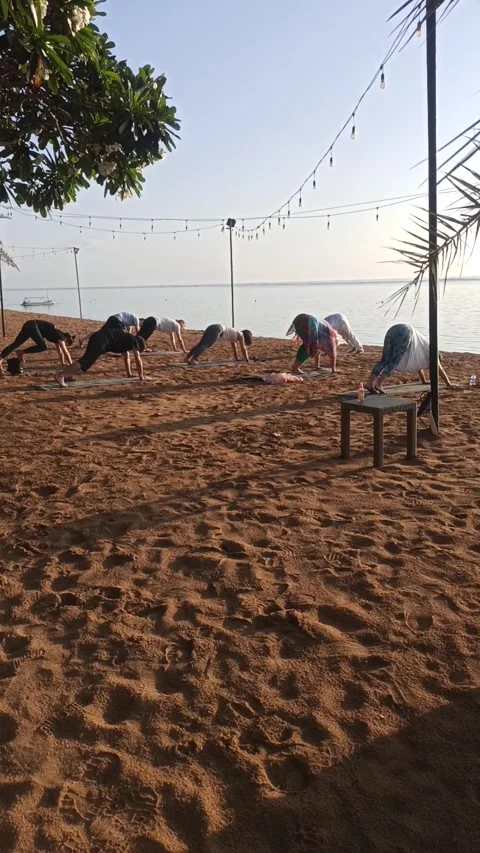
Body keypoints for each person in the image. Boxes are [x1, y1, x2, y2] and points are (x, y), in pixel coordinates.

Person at [366, 323, 452, 393]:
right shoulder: (434, 353)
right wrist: (448, 383)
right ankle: (379, 384)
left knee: (385, 360)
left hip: (394, 329)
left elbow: (419, 369)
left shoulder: (422, 354)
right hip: (406, 332)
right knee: (395, 360)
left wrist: (424, 381)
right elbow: (441, 370)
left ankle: (370, 383)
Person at [55, 327, 148, 388]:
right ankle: (61, 375)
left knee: (85, 363)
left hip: (98, 337)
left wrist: (129, 374)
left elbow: (126, 357)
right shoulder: (134, 341)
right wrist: (142, 376)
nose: (137, 351)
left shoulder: (127, 340)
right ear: (139, 345)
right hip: (101, 340)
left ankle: (63, 374)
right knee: (85, 361)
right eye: (139, 350)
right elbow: (138, 360)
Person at [0, 320, 74, 369]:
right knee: (43, 347)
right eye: (66, 344)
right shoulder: (62, 337)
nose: (64, 345)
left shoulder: (57, 336)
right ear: (67, 340)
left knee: (15, 344)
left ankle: (1, 358)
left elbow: (60, 351)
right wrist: (71, 365)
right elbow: (65, 352)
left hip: (28, 324)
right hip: (32, 326)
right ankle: (21, 352)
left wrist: (63, 363)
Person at [185, 325, 252, 365]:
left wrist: (236, 358)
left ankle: (187, 358)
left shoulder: (235, 334)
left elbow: (234, 347)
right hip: (218, 329)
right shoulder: (241, 335)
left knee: (201, 344)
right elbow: (243, 348)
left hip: (212, 327)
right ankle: (193, 359)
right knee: (205, 345)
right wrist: (247, 359)